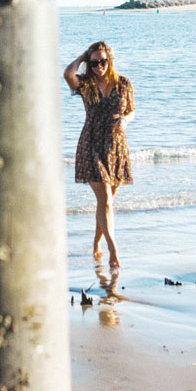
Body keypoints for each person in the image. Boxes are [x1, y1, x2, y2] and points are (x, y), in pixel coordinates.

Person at [63, 41, 134, 269]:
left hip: (116, 146)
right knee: (104, 196)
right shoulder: (86, 84)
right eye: (94, 62)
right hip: (91, 143)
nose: (99, 66)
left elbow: (131, 110)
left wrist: (125, 120)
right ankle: (113, 250)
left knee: (106, 202)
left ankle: (96, 243)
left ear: (109, 60)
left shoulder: (123, 83)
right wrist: (82, 57)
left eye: (103, 61)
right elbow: (67, 73)